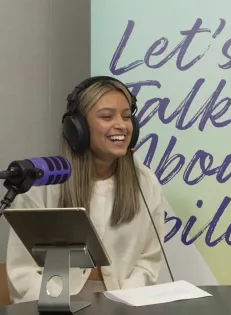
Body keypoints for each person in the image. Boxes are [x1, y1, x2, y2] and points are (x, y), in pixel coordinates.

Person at [5, 76, 168, 303]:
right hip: (52, 305)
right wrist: (55, 303)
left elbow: (148, 261)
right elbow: (22, 270)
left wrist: (124, 303)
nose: (121, 125)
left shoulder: (146, 183)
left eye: (127, 116)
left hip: (123, 305)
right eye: (107, 116)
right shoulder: (42, 183)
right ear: (77, 128)